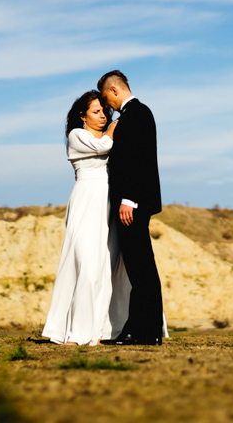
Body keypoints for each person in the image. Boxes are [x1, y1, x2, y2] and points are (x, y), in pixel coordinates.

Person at [42, 90, 130, 346]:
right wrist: (114, 127)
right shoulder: (77, 135)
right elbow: (103, 146)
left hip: (109, 201)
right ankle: (75, 332)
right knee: (86, 266)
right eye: (96, 111)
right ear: (83, 116)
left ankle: (100, 332)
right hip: (86, 200)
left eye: (104, 111)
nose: (102, 116)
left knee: (106, 267)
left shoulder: (108, 135)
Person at [98, 70, 166, 346]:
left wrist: (129, 199)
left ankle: (144, 330)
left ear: (114, 90)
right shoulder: (133, 114)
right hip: (132, 202)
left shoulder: (138, 113)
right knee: (139, 268)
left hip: (132, 204)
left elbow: (139, 160)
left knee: (142, 268)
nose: (107, 105)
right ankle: (143, 330)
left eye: (106, 98)